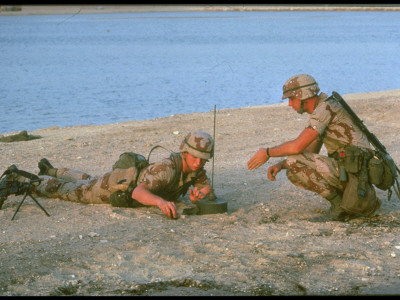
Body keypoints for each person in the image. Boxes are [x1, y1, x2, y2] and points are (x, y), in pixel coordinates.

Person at [247, 74, 381, 221]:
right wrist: (281, 165)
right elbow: (310, 151)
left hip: (356, 175)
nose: (290, 104)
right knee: (293, 169)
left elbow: (296, 147)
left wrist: (267, 152)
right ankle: (349, 202)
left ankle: (341, 208)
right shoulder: (325, 107)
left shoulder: (324, 110)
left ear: (303, 96)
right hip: (354, 173)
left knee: (294, 162)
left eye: (292, 99)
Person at [1, 130, 214, 219]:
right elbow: (139, 192)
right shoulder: (166, 169)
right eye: (194, 157)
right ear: (184, 152)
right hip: (115, 186)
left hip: (121, 176)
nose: (197, 162)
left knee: (88, 179)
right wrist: (159, 202)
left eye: (202, 159)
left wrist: (201, 194)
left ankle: (52, 170)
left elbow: (206, 187)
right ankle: (21, 178)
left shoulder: (196, 170)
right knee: (69, 190)